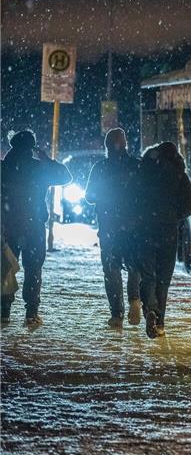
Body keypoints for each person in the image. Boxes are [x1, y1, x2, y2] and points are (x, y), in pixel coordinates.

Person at [0, 130, 71, 326]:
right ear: (32, 147)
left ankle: (3, 310)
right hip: (33, 226)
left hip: (7, 227)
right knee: (33, 269)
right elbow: (66, 177)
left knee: (5, 268)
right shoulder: (38, 168)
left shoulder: (4, 167)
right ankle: (31, 312)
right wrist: (48, 160)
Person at [130, 142, 191, 338]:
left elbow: (131, 199)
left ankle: (150, 308)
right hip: (168, 230)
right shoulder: (178, 175)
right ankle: (159, 322)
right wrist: (175, 216)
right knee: (163, 279)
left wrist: (139, 217)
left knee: (148, 275)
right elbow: (190, 203)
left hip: (144, 229)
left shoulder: (143, 172)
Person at [85, 128, 142, 328]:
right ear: (125, 144)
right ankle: (135, 299)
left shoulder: (99, 168)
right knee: (135, 266)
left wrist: (105, 196)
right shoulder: (137, 166)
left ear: (106, 146)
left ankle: (117, 314)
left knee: (111, 269)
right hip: (134, 226)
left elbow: (89, 197)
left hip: (109, 226)